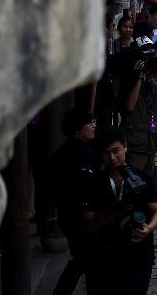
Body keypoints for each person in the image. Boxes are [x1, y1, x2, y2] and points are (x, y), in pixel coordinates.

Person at [82, 127, 157, 295]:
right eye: (106, 153)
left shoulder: (142, 178)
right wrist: (105, 218)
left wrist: (148, 229)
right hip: (104, 254)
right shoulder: (94, 182)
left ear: (125, 146)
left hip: (138, 254)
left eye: (116, 151)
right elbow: (86, 219)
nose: (112, 158)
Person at [51, 108, 97, 295]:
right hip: (79, 215)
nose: (93, 126)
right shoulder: (79, 153)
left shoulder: (63, 152)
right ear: (78, 130)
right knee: (86, 259)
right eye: (89, 123)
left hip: (68, 215)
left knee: (82, 259)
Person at [120, 30, 157, 180]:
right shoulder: (129, 78)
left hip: (152, 138)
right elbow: (130, 106)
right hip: (136, 141)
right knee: (136, 180)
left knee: (149, 182)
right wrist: (138, 78)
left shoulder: (153, 78)